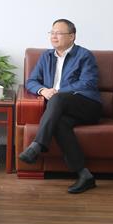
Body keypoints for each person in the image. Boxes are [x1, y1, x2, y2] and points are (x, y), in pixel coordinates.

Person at [18, 18, 102, 193]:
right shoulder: (46, 56)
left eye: (59, 33)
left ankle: (37, 145)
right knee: (60, 123)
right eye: (52, 32)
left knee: (57, 99)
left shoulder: (84, 55)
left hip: (87, 105)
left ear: (72, 36)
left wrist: (57, 92)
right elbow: (31, 81)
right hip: (60, 108)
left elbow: (88, 83)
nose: (54, 36)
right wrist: (43, 90)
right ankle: (85, 175)